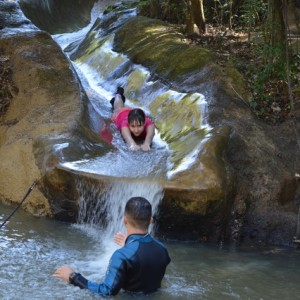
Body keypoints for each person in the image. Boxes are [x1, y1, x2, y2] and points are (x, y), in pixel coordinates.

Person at [53, 197, 171, 296]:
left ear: (125, 221)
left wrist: (73, 277)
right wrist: (130, 244)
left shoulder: (122, 255)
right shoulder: (162, 250)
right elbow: (144, 263)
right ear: (151, 220)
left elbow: (107, 292)